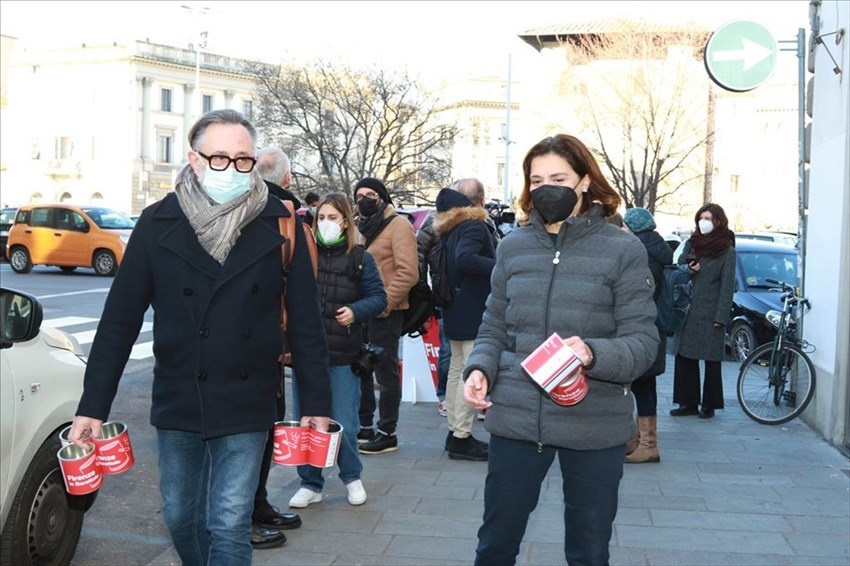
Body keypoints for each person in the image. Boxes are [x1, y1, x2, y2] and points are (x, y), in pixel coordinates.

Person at [67, 109, 332, 564]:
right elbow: (119, 320)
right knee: (181, 518)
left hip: (249, 396)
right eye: (220, 158)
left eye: (244, 159)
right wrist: (93, 407)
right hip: (179, 393)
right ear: (194, 159)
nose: (234, 170)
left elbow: (307, 323)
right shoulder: (156, 223)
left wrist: (317, 406)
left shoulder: (280, 223)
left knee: (229, 522)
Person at [463, 133, 659, 565]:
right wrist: (479, 368)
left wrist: (591, 352)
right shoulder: (512, 245)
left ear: (584, 181)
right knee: (495, 545)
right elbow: (494, 324)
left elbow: (644, 343)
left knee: (588, 552)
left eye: (558, 177)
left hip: (594, 423)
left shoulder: (622, 249)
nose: (545, 188)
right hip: (516, 419)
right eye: (536, 179)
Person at [288, 192, 387, 509]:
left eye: (332, 218)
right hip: (307, 355)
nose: (326, 224)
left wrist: (356, 311)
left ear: (345, 220)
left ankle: (352, 477)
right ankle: (310, 482)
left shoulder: (360, 258)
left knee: (344, 421)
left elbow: (379, 298)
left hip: (344, 355)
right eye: (321, 218)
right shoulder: (304, 255)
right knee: (306, 423)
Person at [251, 146, 307, 548]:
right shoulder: (282, 214)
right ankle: (245, 514)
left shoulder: (282, 212)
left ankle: (257, 505)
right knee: (254, 432)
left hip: (269, 340)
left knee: (266, 426)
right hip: (265, 339)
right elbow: (302, 286)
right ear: (286, 179)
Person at [354, 177, 418, 455]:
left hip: (385, 311)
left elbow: (408, 272)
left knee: (386, 371)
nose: (364, 200)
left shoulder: (398, 225)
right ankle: (365, 425)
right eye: (359, 195)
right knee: (361, 369)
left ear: (382, 196)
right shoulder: (359, 226)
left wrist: (384, 303)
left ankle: (387, 431)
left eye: (370, 194)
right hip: (360, 310)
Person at [433, 184, 495, 461]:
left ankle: (454, 431)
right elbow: (466, 259)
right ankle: (461, 436)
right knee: (470, 370)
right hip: (471, 308)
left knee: (458, 369)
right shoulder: (472, 226)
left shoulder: (448, 230)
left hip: (455, 308)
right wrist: (501, 266)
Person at [670, 203, 736, 419]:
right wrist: (689, 268)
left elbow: (727, 286)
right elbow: (677, 269)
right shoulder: (692, 243)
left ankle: (709, 404)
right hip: (688, 310)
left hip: (710, 312)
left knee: (711, 361)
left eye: (708, 218)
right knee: (684, 358)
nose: (703, 222)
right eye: (701, 217)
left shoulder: (726, 250)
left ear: (717, 221)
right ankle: (687, 403)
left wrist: (721, 317)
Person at [622, 207, 673, 464]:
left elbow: (639, 292)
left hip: (643, 326)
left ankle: (647, 445)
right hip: (654, 327)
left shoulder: (642, 252)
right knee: (645, 383)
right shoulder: (656, 248)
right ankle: (641, 440)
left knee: (641, 383)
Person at [415, 207, 452, 417]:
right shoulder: (434, 222)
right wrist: (422, 289)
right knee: (447, 348)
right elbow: (418, 254)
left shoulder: (484, 221)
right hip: (445, 295)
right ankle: (445, 395)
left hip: (468, 294)